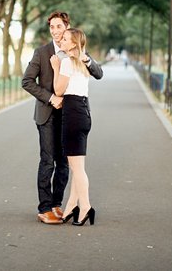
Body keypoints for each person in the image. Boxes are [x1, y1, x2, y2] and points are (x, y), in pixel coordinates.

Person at [22, 12, 103, 224]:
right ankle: (45, 207)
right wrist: (50, 98)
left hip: (70, 116)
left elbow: (98, 72)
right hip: (48, 115)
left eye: (59, 27)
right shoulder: (41, 52)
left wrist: (85, 57)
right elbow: (27, 81)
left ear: (67, 27)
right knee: (47, 161)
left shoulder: (75, 50)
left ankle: (58, 205)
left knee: (65, 164)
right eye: (52, 27)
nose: (55, 31)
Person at [50, 28, 97, 226]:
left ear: (74, 43)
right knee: (78, 166)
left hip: (73, 114)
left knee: (77, 169)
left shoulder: (68, 62)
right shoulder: (82, 62)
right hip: (84, 112)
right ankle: (71, 206)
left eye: (66, 38)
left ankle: (85, 207)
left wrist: (55, 68)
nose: (61, 40)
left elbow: (58, 90)